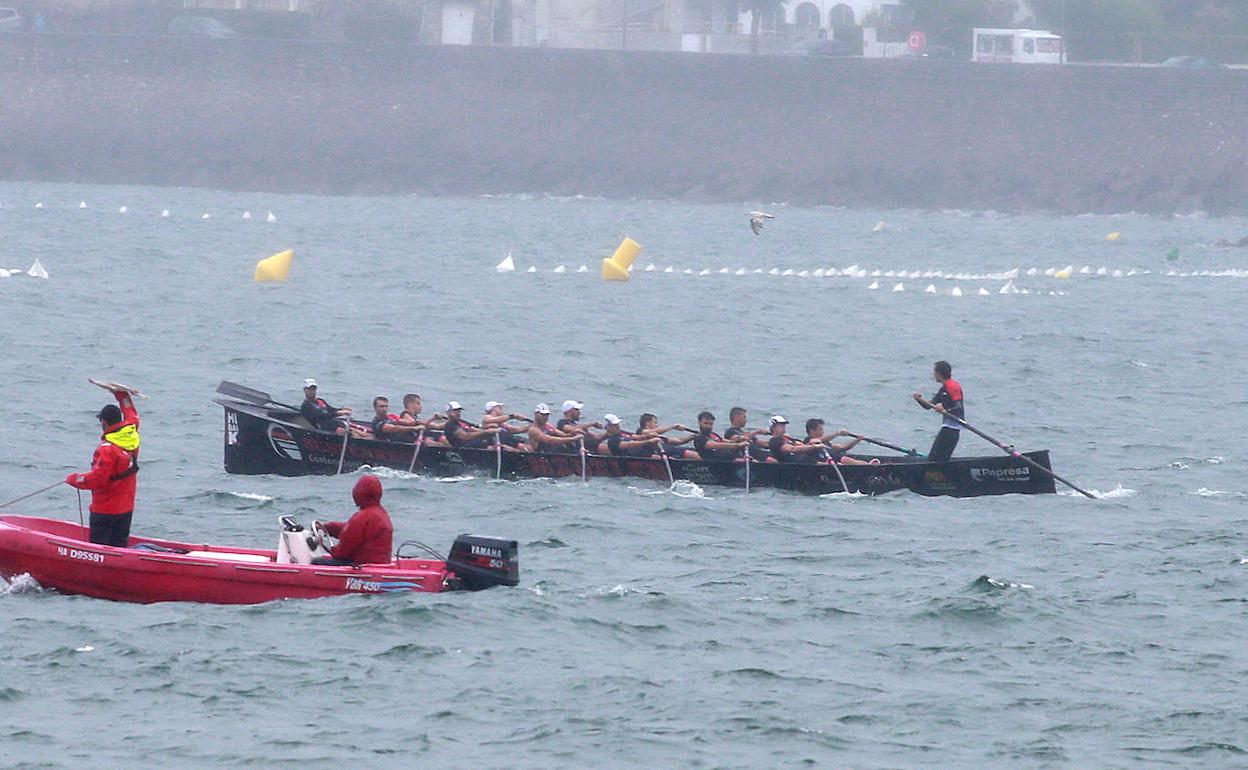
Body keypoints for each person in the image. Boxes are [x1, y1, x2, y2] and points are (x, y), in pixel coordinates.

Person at [65, 385, 141, 547]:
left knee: (100, 551)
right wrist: (122, 396)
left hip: (105, 511)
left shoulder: (107, 449)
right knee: (119, 548)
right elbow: (132, 415)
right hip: (126, 509)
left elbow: (97, 480)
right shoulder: (131, 436)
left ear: (104, 422)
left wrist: (74, 479)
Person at [312, 475, 393, 566]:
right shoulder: (382, 514)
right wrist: (329, 528)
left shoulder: (361, 518)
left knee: (316, 562)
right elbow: (353, 531)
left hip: (362, 566)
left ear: (359, 493)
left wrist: (324, 545)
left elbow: (340, 553)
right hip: (379, 565)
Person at [912, 360, 964, 462]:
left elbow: (958, 407)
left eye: (934, 372)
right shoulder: (943, 389)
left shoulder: (953, 386)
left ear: (939, 373)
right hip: (946, 428)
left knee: (936, 458)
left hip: (953, 429)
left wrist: (945, 410)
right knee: (934, 457)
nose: (933, 374)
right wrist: (918, 400)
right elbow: (929, 406)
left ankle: (937, 474)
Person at [804, 419, 878, 465]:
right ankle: (869, 466)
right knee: (844, 459)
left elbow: (844, 448)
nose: (823, 432)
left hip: (838, 461)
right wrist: (838, 433)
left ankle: (868, 465)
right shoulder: (809, 441)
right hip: (829, 464)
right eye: (820, 429)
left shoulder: (826, 443)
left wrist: (857, 439)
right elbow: (818, 441)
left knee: (845, 458)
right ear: (812, 431)